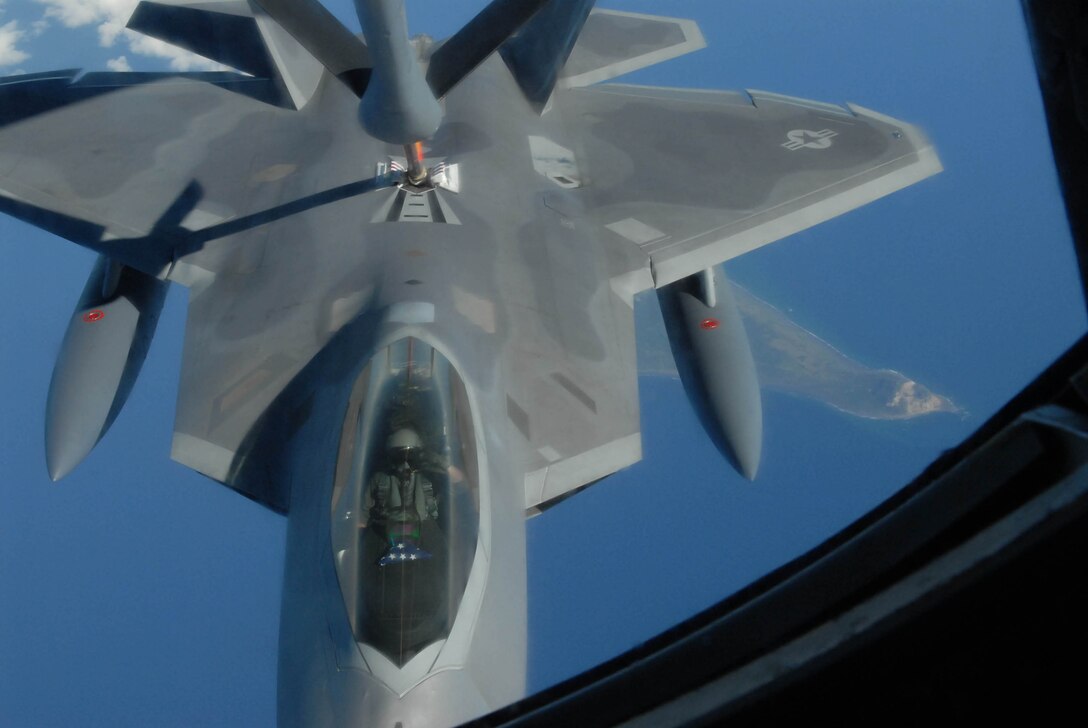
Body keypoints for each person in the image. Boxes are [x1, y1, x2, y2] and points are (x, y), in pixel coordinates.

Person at [366, 428, 438, 565]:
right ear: (391, 459)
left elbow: (433, 510)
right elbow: (362, 513)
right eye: (399, 458)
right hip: (385, 531)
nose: (405, 465)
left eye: (411, 459)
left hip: (421, 530)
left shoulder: (425, 482)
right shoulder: (379, 480)